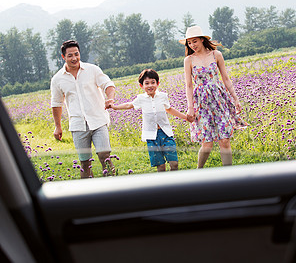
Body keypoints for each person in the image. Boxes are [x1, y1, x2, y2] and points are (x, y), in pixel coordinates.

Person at [181, 26, 247, 168]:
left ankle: (228, 175)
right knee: (207, 143)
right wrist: (190, 107)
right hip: (201, 102)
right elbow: (189, 85)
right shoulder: (189, 60)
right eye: (190, 43)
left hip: (219, 99)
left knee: (224, 140)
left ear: (202, 40)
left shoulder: (216, 55)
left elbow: (226, 78)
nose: (193, 45)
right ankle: (199, 171)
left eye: (195, 41)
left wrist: (235, 99)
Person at [51, 40, 116, 179]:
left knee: (104, 155)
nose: (74, 58)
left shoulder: (92, 70)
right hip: (78, 125)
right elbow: (56, 103)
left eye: (76, 54)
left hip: (98, 120)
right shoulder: (57, 79)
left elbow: (108, 84)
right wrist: (58, 127)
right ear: (63, 57)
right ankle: (89, 194)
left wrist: (110, 98)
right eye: (70, 55)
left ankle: (113, 187)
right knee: (85, 162)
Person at [111, 69, 191, 172]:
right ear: (141, 86)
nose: (150, 86)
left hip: (165, 133)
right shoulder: (141, 99)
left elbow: (169, 109)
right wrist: (115, 107)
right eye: (147, 83)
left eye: (153, 82)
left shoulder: (163, 96)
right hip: (151, 136)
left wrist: (185, 117)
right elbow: (129, 105)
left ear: (157, 83)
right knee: (160, 166)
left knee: (174, 164)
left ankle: (173, 184)